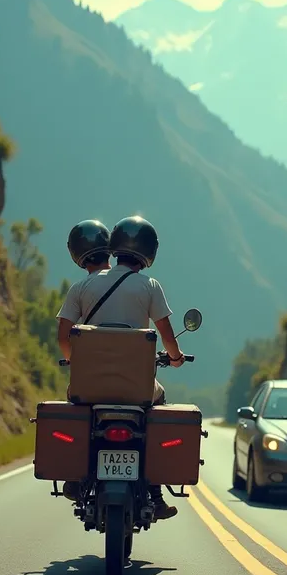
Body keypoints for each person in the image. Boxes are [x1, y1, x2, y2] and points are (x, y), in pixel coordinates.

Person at [56, 215, 185, 520]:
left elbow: (63, 337)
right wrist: (176, 358)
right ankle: (155, 493)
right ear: (149, 253)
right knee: (158, 407)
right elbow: (167, 337)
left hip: (89, 387)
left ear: (114, 248)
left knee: (76, 405)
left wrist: (77, 359)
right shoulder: (150, 286)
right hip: (137, 390)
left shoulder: (83, 287)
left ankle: (75, 477)